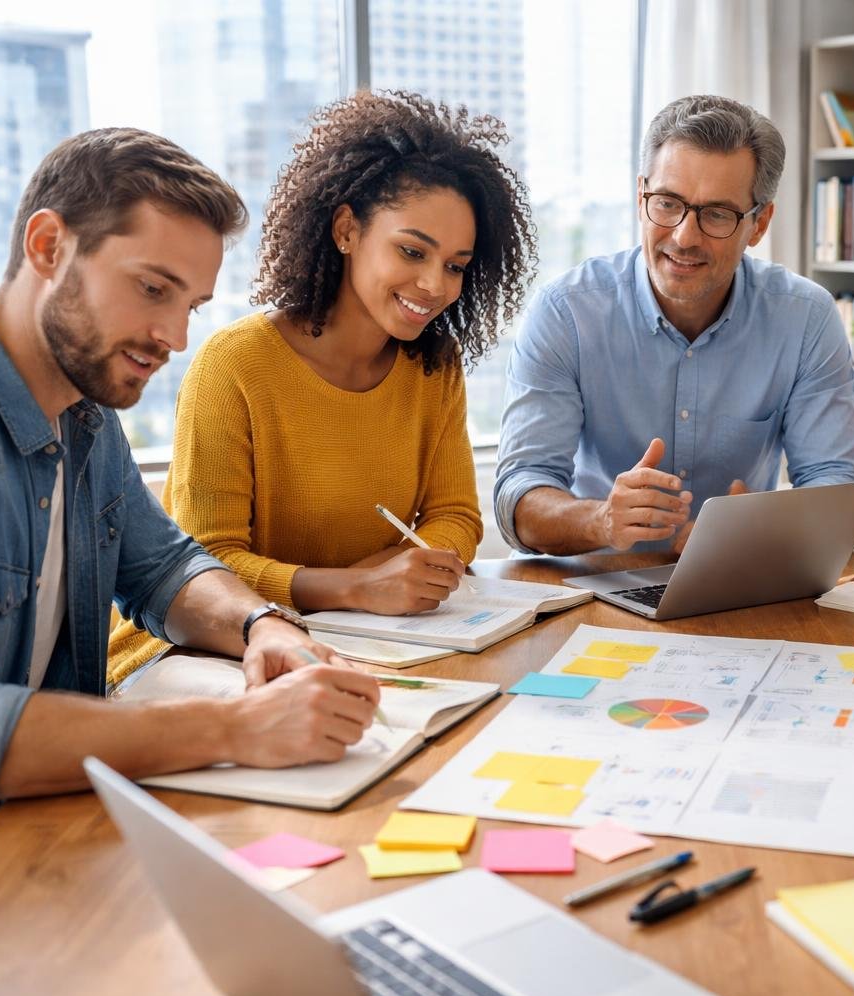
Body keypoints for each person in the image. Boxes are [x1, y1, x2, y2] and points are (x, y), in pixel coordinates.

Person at [0, 128, 381, 875]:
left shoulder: (84, 408)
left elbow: (164, 568)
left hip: (63, 832)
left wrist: (261, 626)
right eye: (152, 288)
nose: (172, 336)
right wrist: (236, 728)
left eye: (192, 305)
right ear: (48, 247)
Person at [106, 91, 536, 683]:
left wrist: (400, 576)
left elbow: (456, 516)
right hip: (198, 654)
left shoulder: (435, 366)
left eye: (457, 265)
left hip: (360, 640)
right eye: (412, 251)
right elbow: (207, 567)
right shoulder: (233, 366)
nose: (435, 284)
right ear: (345, 231)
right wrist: (357, 587)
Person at [494, 94, 854, 555]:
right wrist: (601, 521)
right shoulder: (566, 312)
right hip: (594, 583)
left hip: (734, 587)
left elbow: (840, 484)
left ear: (759, 223)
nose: (683, 237)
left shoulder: (805, 318)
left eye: (716, 214)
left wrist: (768, 531)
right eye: (668, 203)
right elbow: (519, 494)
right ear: (640, 196)